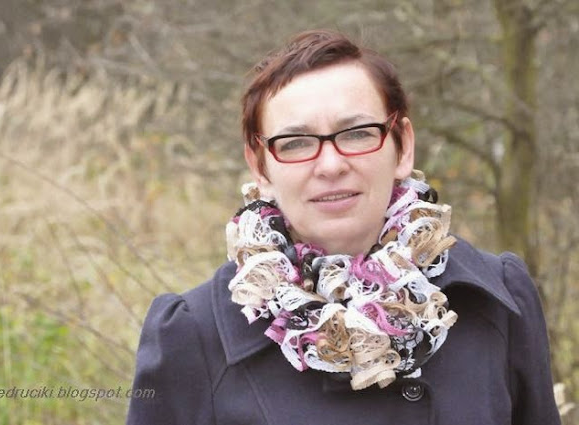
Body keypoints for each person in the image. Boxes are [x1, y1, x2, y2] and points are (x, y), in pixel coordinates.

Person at [126, 29, 560, 425]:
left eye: (356, 134)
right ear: (260, 167)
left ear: (403, 147)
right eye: (295, 143)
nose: (331, 165)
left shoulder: (498, 300)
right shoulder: (193, 334)